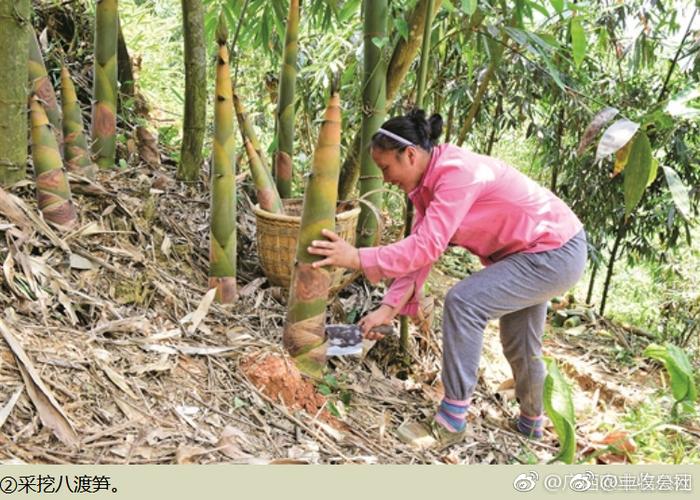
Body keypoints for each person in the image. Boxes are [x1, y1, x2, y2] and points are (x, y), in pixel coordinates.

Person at [307, 109, 587, 447]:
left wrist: (356, 257)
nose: (384, 177)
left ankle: (452, 421)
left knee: (464, 302)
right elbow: (421, 255)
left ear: (409, 154)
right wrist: (387, 308)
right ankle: (532, 422)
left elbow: (425, 247)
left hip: (554, 252)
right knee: (520, 342)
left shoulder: (457, 175)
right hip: (538, 251)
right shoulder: (427, 185)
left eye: (385, 168)